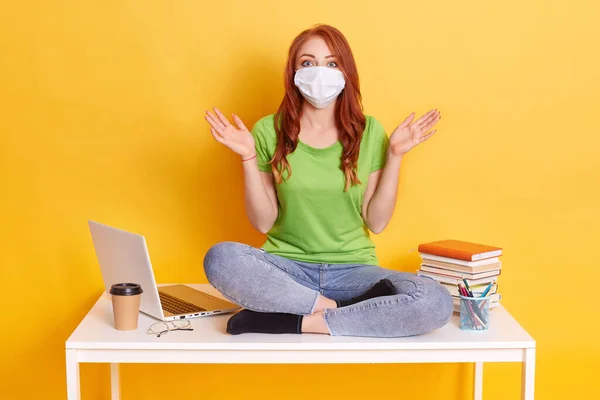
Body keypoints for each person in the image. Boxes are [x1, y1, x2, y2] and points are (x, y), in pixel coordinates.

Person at [202, 24, 452, 337]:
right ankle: (336, 310)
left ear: (346, 72)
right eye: (308, 63)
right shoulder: (268, 130)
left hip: (355, 271)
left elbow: (376, 222)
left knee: (435, 300)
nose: (320, 72)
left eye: (331, 63)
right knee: (221, 259)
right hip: (287, 270)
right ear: (293, 71)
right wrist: (248, 158)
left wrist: (396, 156)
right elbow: (263, 223)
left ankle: (292, 321)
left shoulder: (370, 132)